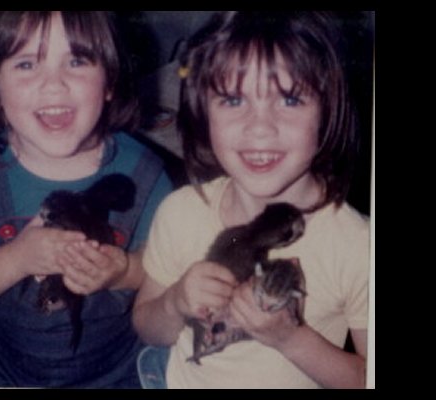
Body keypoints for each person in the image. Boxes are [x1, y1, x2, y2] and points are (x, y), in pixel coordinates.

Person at [0, 11, 173, 388]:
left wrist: (122, 270)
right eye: (26, 63)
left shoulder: (145, 172)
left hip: (117, 370)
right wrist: (17, 258)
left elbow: (165, 276)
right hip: (5, 369)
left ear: (109, 80)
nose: (54, 85)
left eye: (76, 61)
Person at [132, 11, 370, 389]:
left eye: (290, 100)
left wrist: (290, 339)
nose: (260, 127)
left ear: (329, 111)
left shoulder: (357, 244)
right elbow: (147, 328)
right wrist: (175, 302)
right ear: (200, 110)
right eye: (232, 100)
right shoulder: (181, 212)